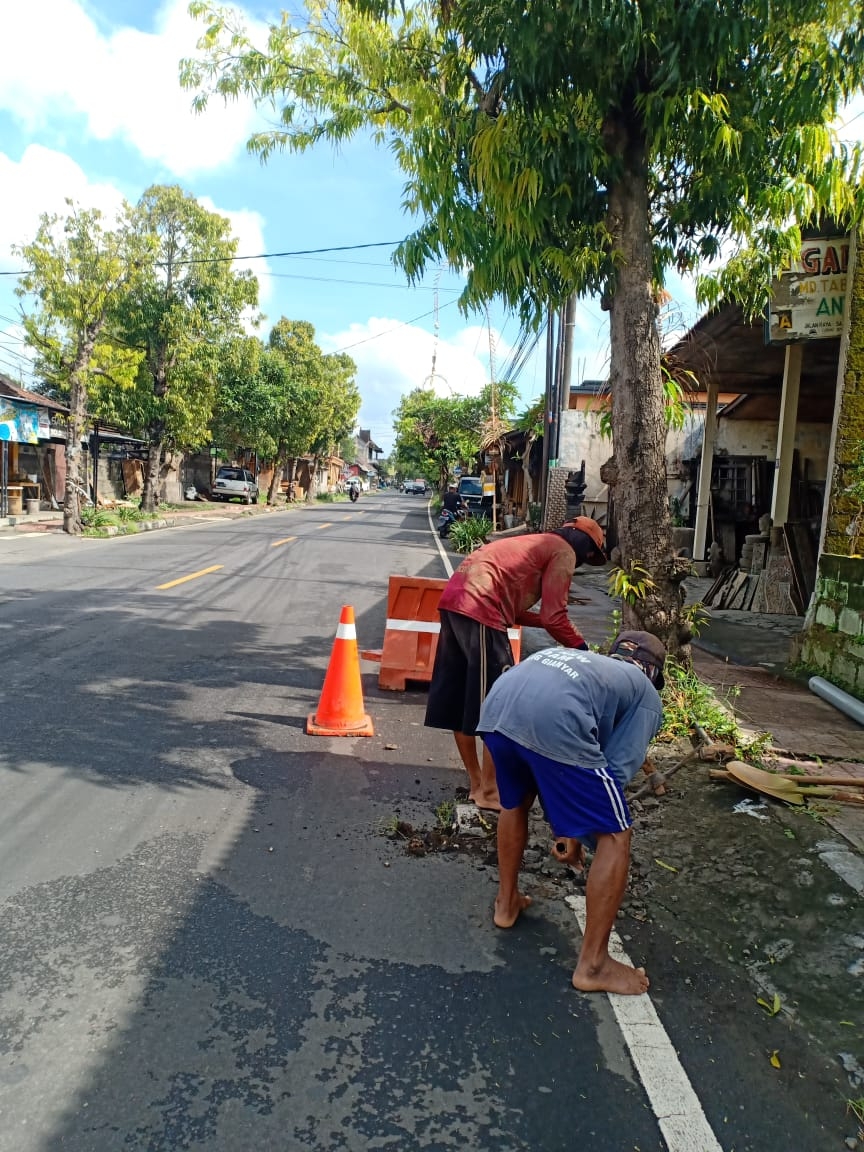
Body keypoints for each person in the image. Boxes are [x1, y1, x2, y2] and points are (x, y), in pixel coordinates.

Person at [476, 631, 666, 996]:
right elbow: (613, 773)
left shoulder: (589, 665)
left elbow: (566, 771)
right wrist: (578, 832)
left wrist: (567, 827)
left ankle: (506, 903)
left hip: (500, 704)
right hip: (554, 716)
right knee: (615, 832)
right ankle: (594, 966)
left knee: (515, 802)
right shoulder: (646, 692)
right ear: (653, 672)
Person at [424, 516, 606, 810]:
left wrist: (548, 624)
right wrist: (583, 649)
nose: (584, 561)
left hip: (455, 602)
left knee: (461, 705)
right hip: (481, 609)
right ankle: (490, 790)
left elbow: (524, 614)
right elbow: (554, 616)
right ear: (585, 547)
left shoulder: (536, 544)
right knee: (496, 707)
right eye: (589, 555)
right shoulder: (563, 551)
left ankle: (478, 785)